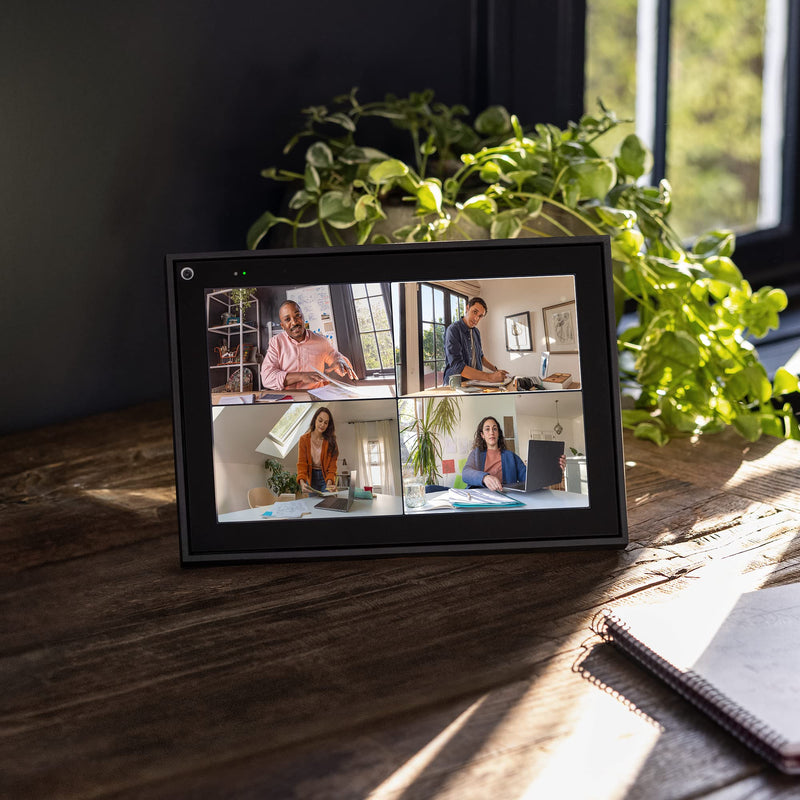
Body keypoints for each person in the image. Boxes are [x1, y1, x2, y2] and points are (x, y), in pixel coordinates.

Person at [261, 300, 358, 390]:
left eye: (297, 316)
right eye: (287, 319)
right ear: (282, 326)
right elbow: (267, 378)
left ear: (303, 317)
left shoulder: (321, 341)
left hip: (317, 394)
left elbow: (335, 357)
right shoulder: (276, 342)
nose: (294, 322)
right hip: (289, 397)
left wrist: (339, 361)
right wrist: (302, 376)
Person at [461, 416, 566, 491]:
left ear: (498, 433)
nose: (491, 432)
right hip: (481, 498)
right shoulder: (476, 454)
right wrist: (485, 477)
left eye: (494, 429)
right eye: (487, 429)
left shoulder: (511, 456)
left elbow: (529, 479)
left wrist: (553, 468)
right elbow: (466, 473)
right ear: (482, 435)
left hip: (506, 498)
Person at [443, 297, 508, 384]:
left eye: (480, 316)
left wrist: (496, 370)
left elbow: (480, 357)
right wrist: (490, 377)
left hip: (473, 383)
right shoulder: (453, 330)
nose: (476, 318)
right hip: (456, 385)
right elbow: (457, 366)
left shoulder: (476, 332)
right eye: (475, 312)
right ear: (467, 308)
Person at [297, 407, 339, 494]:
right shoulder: (304, 439)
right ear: (315, 419)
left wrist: (329, 483)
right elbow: (302, 464)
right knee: (313, 505)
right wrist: (302, 483)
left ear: (328, 425)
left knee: (328, 503)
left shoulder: (331, 442)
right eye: (320, 420)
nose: (322, 425)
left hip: (326, 478)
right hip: (311, 478)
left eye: (326, 423)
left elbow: (332, 467)